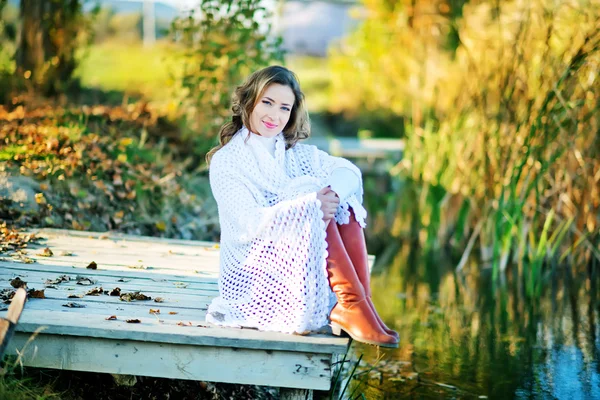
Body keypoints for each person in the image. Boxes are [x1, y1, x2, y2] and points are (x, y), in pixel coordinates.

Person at [205, 65, 399, 348]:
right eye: (267, 103)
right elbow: (248, 224)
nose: (275, 116)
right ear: (249, 101)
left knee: (340, 197)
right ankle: (352, 304)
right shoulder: (228, 161)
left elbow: (349, 171)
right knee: (309, 195)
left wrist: (329, 197)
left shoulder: (293, 152)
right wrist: (308, 206)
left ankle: (359, 303)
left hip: (298, 256)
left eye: (284, 108)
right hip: (258, 270)